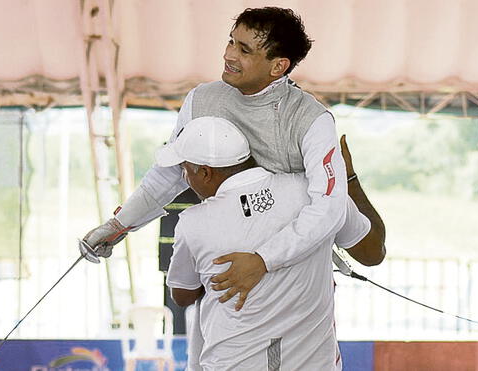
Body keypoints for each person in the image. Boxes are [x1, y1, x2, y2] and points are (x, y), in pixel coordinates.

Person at [83, 7, 386, 309]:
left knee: (372, 253)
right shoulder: (202, 99)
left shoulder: (311, 119)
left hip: (295, 259)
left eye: (244, 50)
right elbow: (170, 174)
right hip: (236, 251)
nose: (229, 55)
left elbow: (328, 209)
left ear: (278, 66)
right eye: (230, 42)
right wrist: (117, 226)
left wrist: (263, 261)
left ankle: (347, 175)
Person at [162, 116, 343, 369]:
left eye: (185, 170)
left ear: (205, 172)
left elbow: (182, 294)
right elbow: (368, 248)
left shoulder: (194, 222)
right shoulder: (308, 191)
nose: (185, 178)